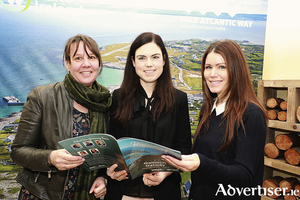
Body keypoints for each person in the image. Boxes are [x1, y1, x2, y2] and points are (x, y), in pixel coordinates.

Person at [162, 39, 268, 199]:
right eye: (208, 67)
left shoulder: (251, 114)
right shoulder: (207, 108)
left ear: (236, 70)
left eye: (222, 67)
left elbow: (244, 175)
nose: (212, 74)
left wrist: (201, 163)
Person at [11, 34, 111, 200]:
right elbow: (18, 151)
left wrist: (102, 177)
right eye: (78, 58)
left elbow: (105, 153)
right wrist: (50, 158)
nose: (86, 64)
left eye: (92, 57)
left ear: (99, 63)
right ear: (67, 63)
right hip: (42, 195)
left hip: (86, 194)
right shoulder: (42, 96)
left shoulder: (106, 103)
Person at [105, 32, 192, 200]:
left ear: (164, 60)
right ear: (133, 62)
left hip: (165, 192)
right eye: (142, 58)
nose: (149, 64)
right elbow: (112, 148)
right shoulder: (117, 97)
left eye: (155, 57)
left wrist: (165, 173)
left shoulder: (179, 99)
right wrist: (109, 170)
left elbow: (184, 149)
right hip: (123, 192)